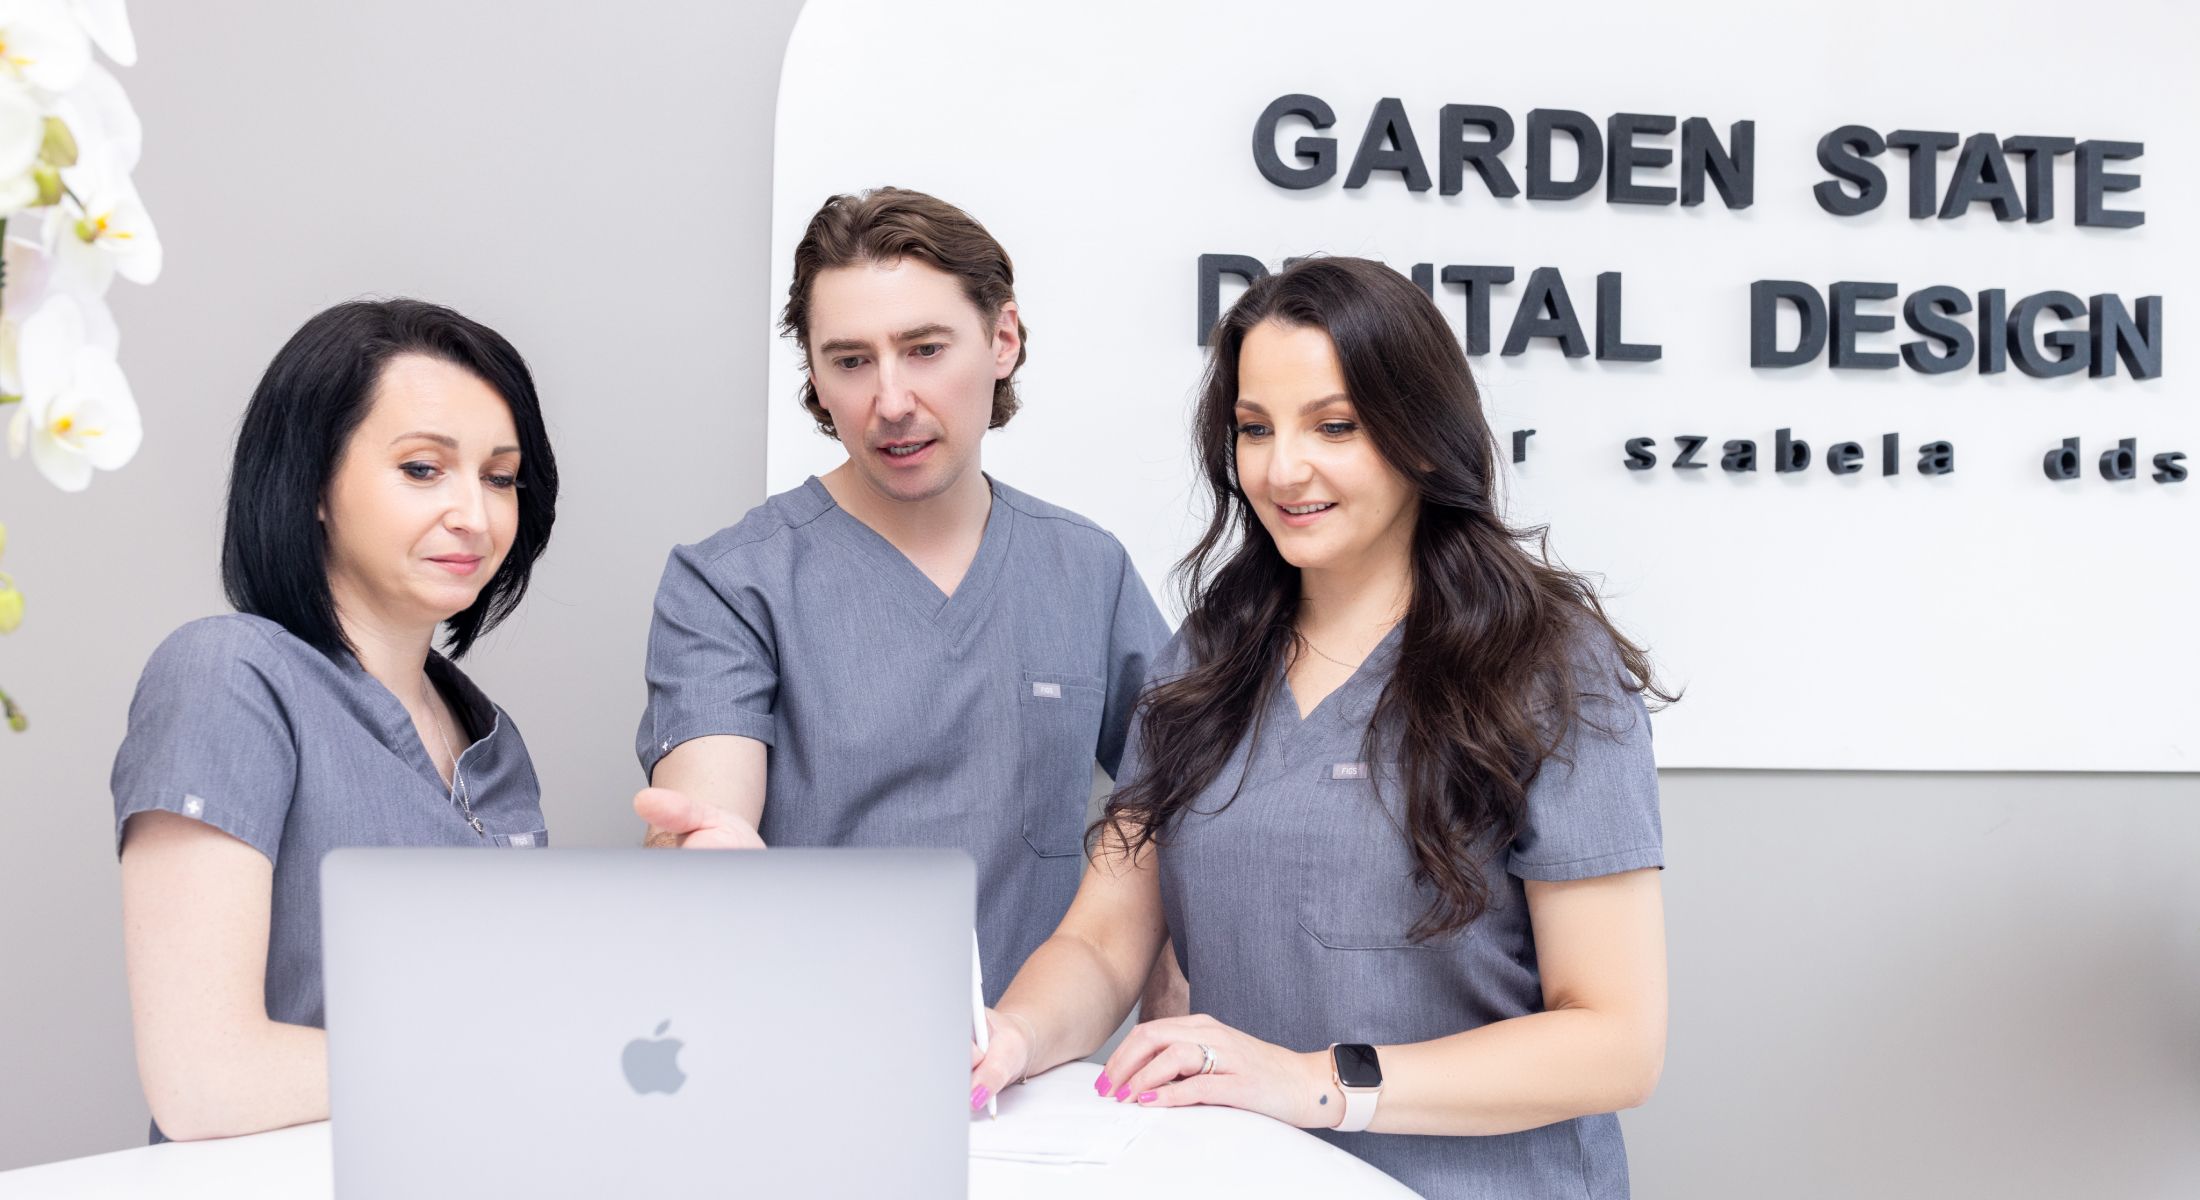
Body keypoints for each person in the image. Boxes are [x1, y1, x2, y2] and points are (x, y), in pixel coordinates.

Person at [968, 257, 1672, 1197]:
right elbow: (1101, 942)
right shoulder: (1207, 659)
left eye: (1333, 426)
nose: (1282, 468)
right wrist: (1010, 1036)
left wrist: (1313, 1083)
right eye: (1254, 429)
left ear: (1422, 433)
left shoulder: (1546, 666)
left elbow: (1615, 1042)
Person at [633, 188, 1170, 1002]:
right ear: (814, 376)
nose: (890, 402)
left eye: (924, 349)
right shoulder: (732, 583)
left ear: (1002, 339)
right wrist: (707, 852)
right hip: (815, 1058)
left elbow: (1185, 807)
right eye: (850, 361)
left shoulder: (1088, 572)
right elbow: (713, 811)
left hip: (1039, 1084)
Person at [113, 299, 560, 1141]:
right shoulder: (226, 678)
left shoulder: (491, 741)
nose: (475, 513)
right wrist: (518, 1052)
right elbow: (203, 1078)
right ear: (314, 482)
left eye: (500, 476)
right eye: (423, 469)